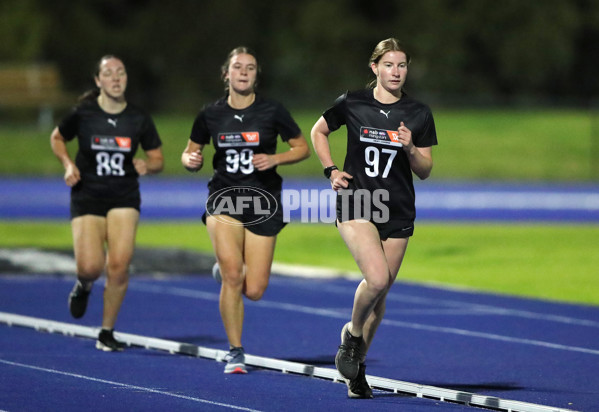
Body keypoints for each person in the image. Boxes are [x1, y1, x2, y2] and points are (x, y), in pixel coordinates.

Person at [311, 38, 437, 398]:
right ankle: (351, 338)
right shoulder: (352, 101)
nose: (395, 72)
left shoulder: (418, 113)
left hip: (397, 209)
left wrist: (411, 148)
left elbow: (425, 170)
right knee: (377, 279)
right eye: (389, 65)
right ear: (375, 68)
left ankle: (357, 371)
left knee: (378, 301)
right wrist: (331, 170)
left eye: (401, 66)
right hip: (358, 201)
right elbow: (318, 131)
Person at [181, 46, 310, 374]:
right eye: (238, 67)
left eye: (250, 68)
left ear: (256, 75)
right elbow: (190, 153)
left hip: (263, 202)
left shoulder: (272, 111)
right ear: (226, 74)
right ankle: (235, 351)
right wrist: (190, 161)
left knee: (254, 289)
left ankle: (224, 272)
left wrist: (275, 158)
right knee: (234, 275)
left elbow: (302, 147)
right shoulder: (209, 114)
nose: (243, 72)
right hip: (223, 199)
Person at [50, 55, 164, 351]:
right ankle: (84, 286)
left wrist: (147, 166)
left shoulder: (138, 118)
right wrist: (66, 164)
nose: (116, 78)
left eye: (121, 73)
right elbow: (57, 138)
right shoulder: (84, 113)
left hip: (124, 196)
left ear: (126, 79)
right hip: (88, 195)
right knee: (90, 267)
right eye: (109, 74)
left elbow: (158, 158)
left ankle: (106, 331)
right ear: (98, 81)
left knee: (118, 265)